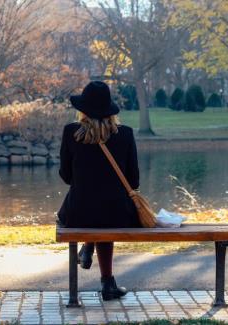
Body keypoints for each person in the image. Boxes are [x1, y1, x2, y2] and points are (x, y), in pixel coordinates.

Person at [57, 81, 141, 301]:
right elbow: (134, 181)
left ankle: (88, 246)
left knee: (93, 210)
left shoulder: (70, 132)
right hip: (118, 214)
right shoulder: (125, 134)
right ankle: (107, 284)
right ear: (109, 109)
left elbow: (66, 176)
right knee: (106, 213)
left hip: (78, 213)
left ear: (83, 109)